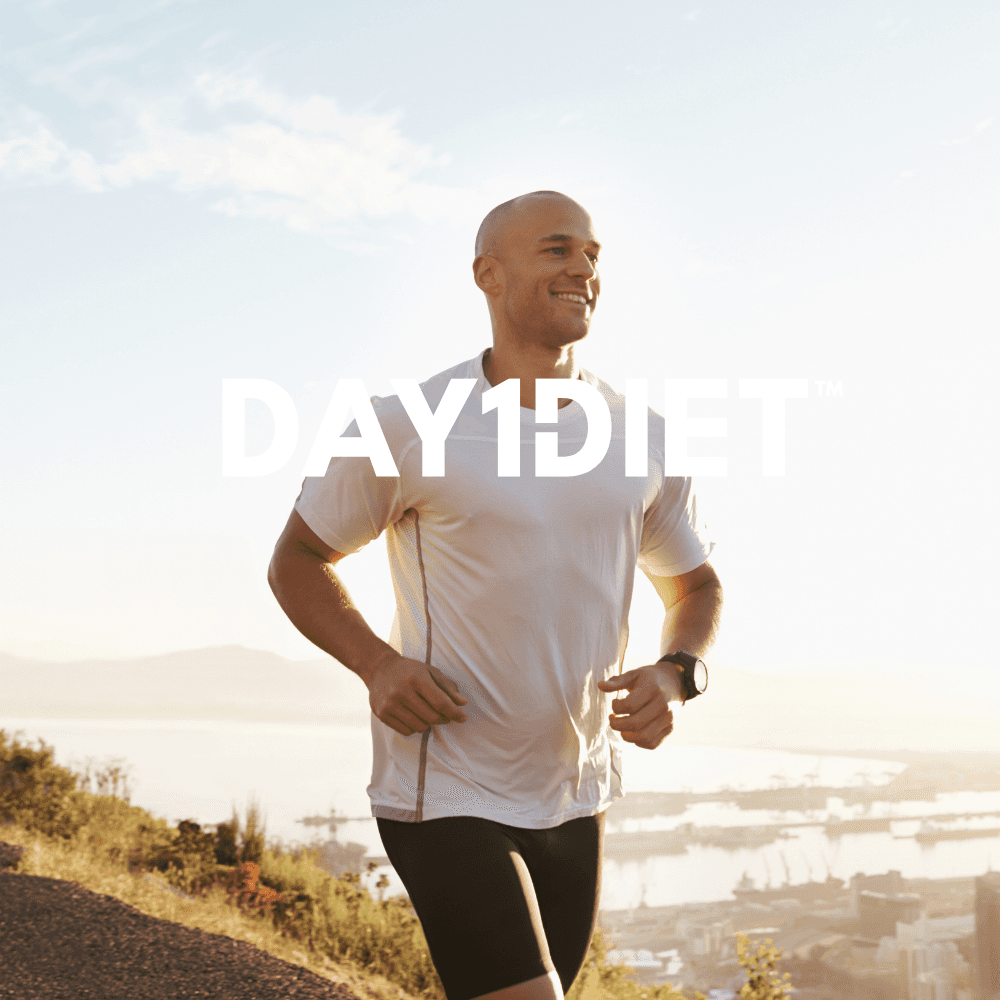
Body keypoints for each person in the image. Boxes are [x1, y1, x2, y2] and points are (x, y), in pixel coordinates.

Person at [267, 191, 723, 1000]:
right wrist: (376, 666)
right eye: (557, 249)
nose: (583, 266)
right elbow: (298, 560)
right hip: (444, 787)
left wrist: (676, 672)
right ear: (489, 273)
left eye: (593, 253)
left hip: (577, 790)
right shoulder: (407, 423)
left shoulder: (642, 432)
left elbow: (695, 585)